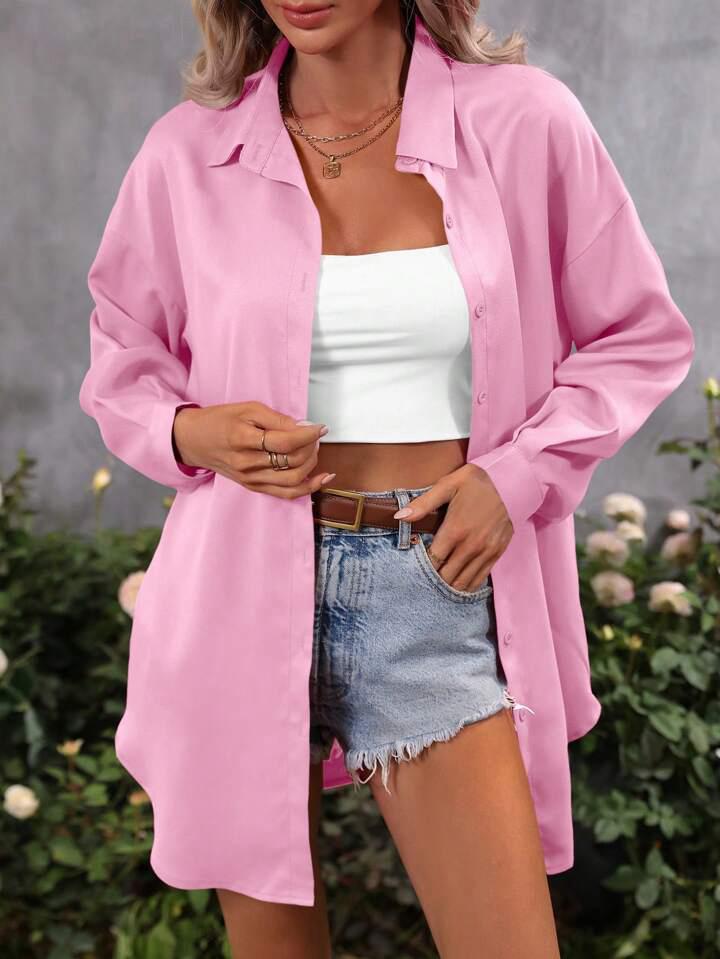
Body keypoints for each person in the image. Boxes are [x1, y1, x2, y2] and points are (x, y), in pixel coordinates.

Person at [78, 1, 695, 956]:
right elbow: (123, 354)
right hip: (236, 586)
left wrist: (518, 473)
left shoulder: (525, 122)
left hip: (434, 581)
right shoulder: (187, 153)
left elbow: (639, 335)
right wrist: (192, 431)